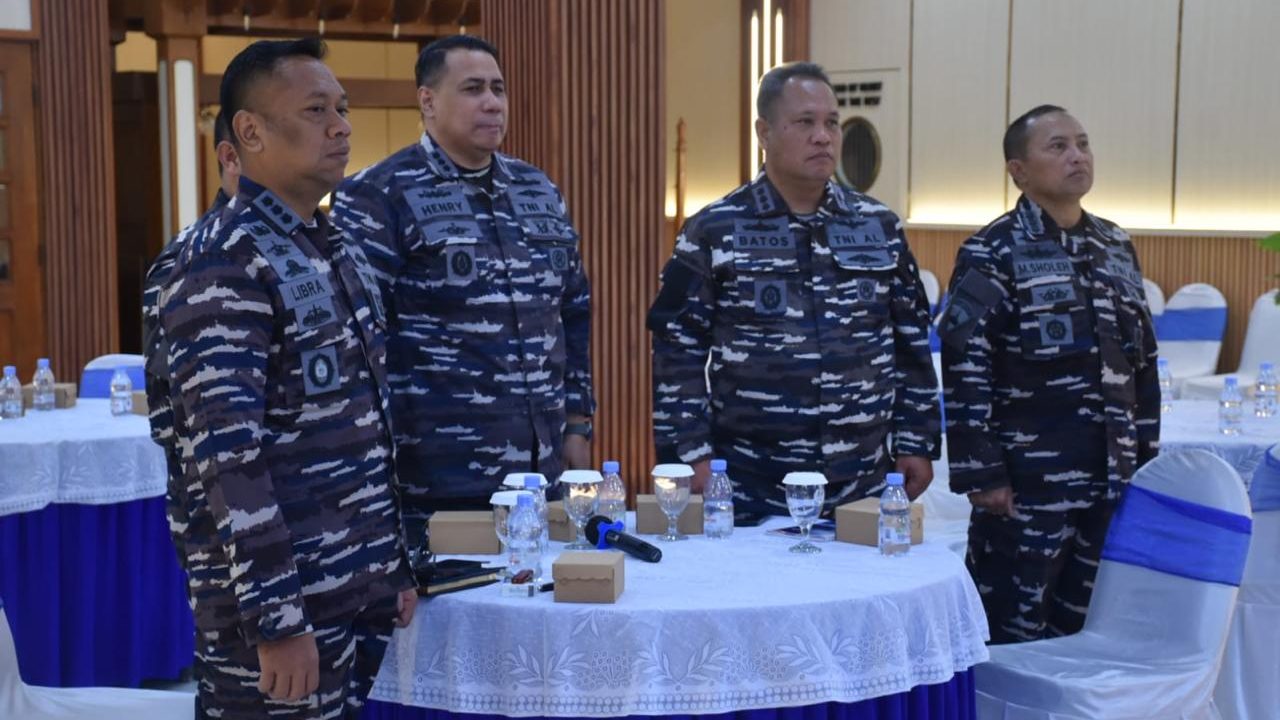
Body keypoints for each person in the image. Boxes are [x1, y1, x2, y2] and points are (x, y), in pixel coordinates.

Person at [155, 38, 416, 717]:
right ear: (250, 132)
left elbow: (366, 420)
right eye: (316, 110)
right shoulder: (221, 261)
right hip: (280, 612)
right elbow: (227, 456)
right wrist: (278, 619)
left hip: (355, 589)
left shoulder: (331, 245)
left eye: (343, 109)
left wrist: (391, 566)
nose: (341, 127)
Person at [647, 62, 940, 516]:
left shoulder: (879, 226)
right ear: (764, 133)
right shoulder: (715, 229)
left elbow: (911, 342)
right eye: (805, 122)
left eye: (832, 123)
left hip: (862, 478)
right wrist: (690, 455)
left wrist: (916, 440)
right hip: (751, 483)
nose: (823, 137)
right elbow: (676, 350)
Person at [332, 35, 595, 521]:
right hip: (438, 480)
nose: (493, 103)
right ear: (428, 101)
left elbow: (573, 309)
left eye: (499, 88)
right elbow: (358, 337)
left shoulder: (537, 189)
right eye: (473, 89)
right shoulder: (379, 194)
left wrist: (578, 424)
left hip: (542, 473)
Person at [938, 104, 1159, 643]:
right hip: (1028, 489)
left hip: (1110, 482)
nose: (1077, 156)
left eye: (1082, 143)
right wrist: (983, 474)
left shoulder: (1115, 245)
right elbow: (966, 364)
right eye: (1058, 147)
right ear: (1018, 170)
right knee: (1009, 635)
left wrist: (1146, 464)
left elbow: (1143, 364)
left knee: (1087, 636)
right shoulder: (993, 250)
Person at [143, 110, 240, 491]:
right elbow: (177, 420)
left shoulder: (318, 245)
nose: (339, 129)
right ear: (231, 157)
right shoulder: (191, 258)